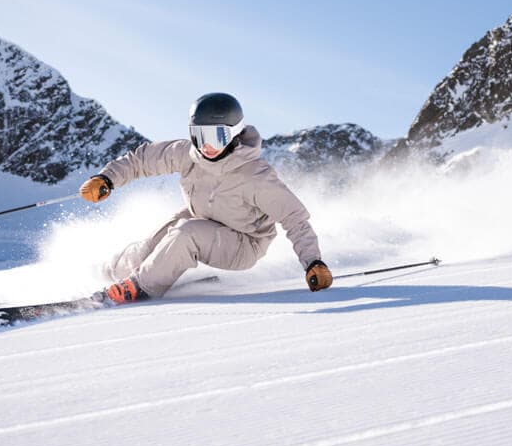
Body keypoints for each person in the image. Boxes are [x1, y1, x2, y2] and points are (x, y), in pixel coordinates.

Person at [78, 92, 332, 302]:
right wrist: (107, 178)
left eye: (216, 136)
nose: (207, 146)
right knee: (150, 245)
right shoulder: (188, 154)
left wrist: (313, 262)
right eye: (200, 136)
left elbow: (294, 218)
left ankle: (140, 287)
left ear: (234, 133)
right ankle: (108, 271)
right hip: (202, 217)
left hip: (244, 242)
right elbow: (142, 160)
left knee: (185, 234)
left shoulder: (256, 176)